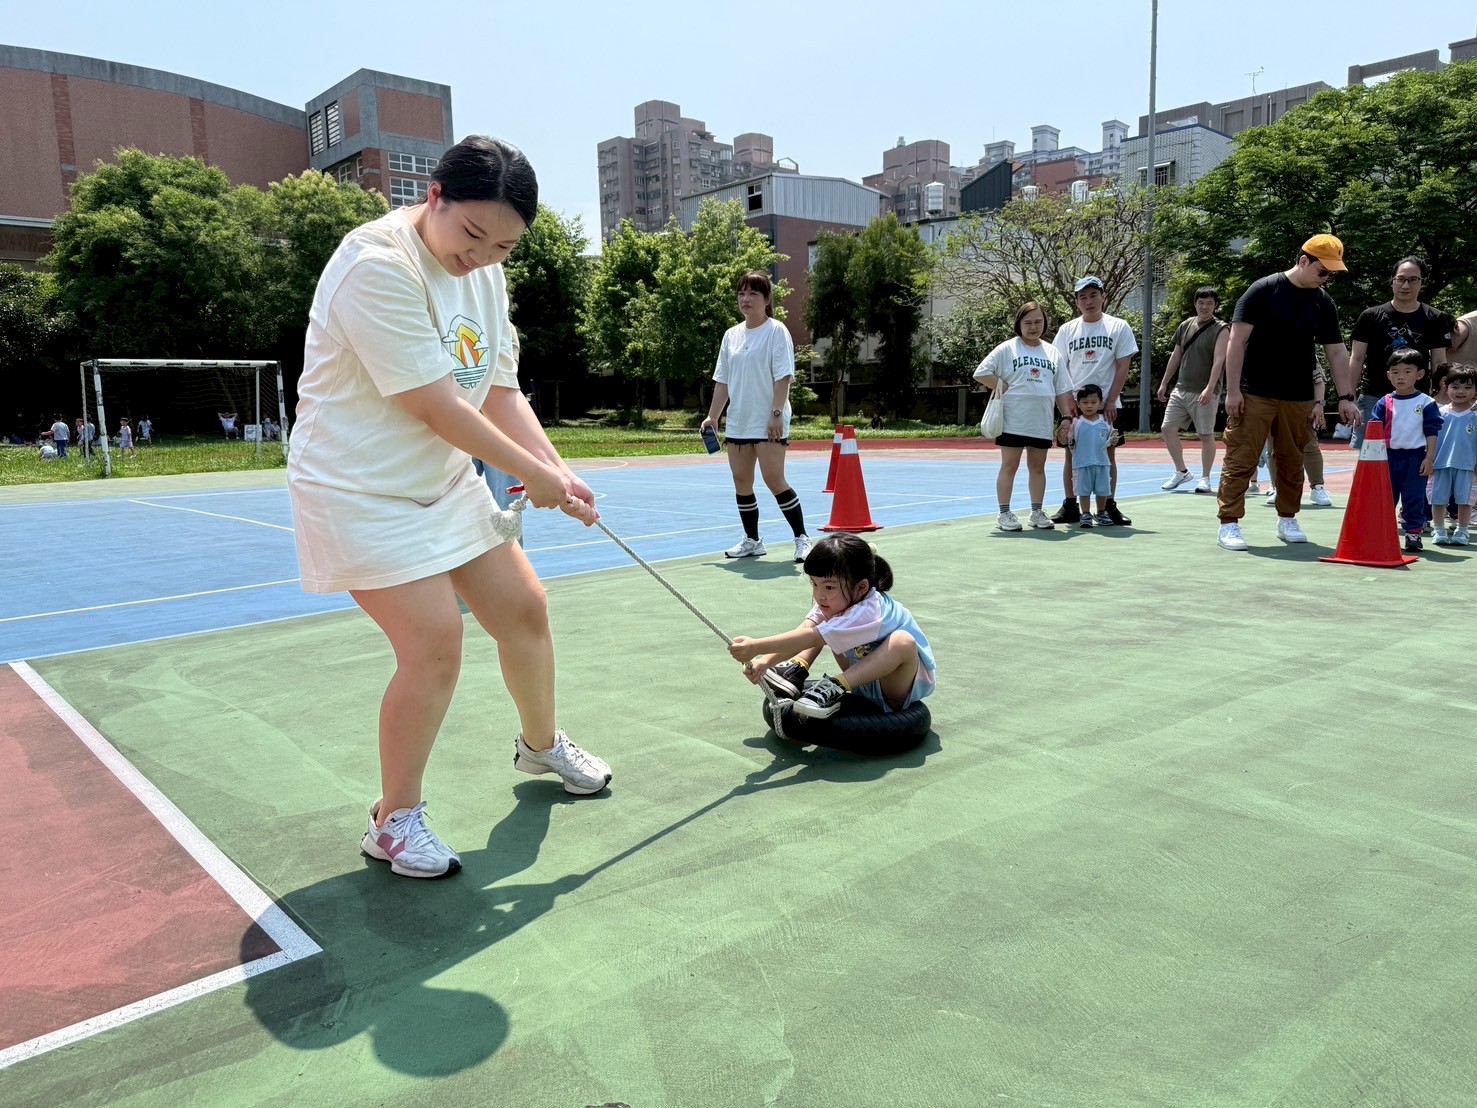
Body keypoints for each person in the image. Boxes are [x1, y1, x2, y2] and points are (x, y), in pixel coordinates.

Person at [288, 135, 610, 880]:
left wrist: (558, 469)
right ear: (434, 195)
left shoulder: (486, 275)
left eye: (503, 246)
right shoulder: (376, 266)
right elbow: (436, 404)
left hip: (439, 480)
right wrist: (536, 476)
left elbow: (497, 391)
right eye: (472, 234)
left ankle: (539, 746)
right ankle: (393, 820)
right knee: (434, 641)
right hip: (357, 489)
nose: (482, 256)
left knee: (523, 609)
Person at [1216, 234, 1360, 551]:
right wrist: (1233, 391)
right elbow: (1235, 342)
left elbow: (1336, 352)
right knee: (1242, 456)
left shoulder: (1323, 302)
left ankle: (1287, 518)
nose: (1327, 278)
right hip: (1255, 392)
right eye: (1324, 271)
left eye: (1332, 273)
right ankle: (1229, 523)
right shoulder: (1263, 291)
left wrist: (1346, 396)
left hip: (1299, 394)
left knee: (1292, 459)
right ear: (1303, 260)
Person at [727, 532, 935, 721]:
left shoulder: (870, 609)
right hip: (863, 683)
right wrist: (765, 663)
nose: (819, 594)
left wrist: (756, 646)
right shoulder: (836, 603)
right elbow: (806, 630)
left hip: (897, 688)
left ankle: (836, 685)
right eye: (814, 584)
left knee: (902, 641)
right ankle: (795, 669)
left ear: (861, 586)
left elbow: (813, 638)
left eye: (829, 587)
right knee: (823, 624)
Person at [701, 271, 813, 562]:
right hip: (739, 420)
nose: (745, 299)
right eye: (741, 293)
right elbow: (723, 380)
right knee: (741, 481)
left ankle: (802, 538)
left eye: (753, 294)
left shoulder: (777, 331)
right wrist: (713, 417)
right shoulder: (731, 335)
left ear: (767, 299)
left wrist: (776, 414)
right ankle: (752, 540)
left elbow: (783, 377)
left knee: (774, 479)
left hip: (768, 420)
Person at [973, 300, 1074, 532]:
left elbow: (1061, 389)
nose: (1033, 327)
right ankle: (1004, 513)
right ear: (1019, 324)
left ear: (1044, 323)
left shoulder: (1052, 352)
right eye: (1027, 322)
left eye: (1038, 321)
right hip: (1012, 420)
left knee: (1038, 467)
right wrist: (1002, 385)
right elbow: (981, 373)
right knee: (1009, 466)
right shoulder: (1007, 348)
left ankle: (1037, 512)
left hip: (1041, 420)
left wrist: (1066, 418)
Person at [1050, 276, 1138, 525]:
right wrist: (1068, 404)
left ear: (1103, 296)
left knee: (1108, 456)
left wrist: (1110, 401)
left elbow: (1123, 366)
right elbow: (1060, 368)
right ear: (1077, 302)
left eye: (1093, 295)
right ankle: (1071, 505)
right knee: (1071, 457)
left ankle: (1108, 505)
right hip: (1075, 407)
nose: (1088, 301)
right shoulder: (1067, 330)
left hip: (1107, 407)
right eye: (1082, 297)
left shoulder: (1118, 327)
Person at [1347, 257, 1452, 450]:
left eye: (1413, 280)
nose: (1406, 285)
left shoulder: (1435, 318)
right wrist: (1348, 396)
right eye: (1400, 279)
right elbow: (1357, 358)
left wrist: (1440, 395)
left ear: (1422, 282)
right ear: (1392, 281)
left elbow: (1439, 361)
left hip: (1416, 398)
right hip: (1373, 396)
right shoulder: (1370, 316)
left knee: (1414, 451)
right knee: (1368, 455)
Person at [1157, 286, 1229, 493]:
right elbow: (1176, 355)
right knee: (1167, 428)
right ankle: (1181, 471)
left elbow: (1219, 360)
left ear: (1215, 306)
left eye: (1209, 303)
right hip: (1181, 388)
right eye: (1201, 302)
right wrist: (1164, 383)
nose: (1204, 307)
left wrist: (1210, 387)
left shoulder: (1222, 328)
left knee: (1205, 434)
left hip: (1205, 391)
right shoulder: (1186, 325)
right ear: (1195, 303)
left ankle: (1205, 478)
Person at [1370, 350, 1442, 552]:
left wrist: (1429, 457)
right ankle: (1382, 533)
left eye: (1407, 371)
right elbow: (1374, 432)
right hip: (1388, 458)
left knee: (1414, 497)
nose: (1400, 376)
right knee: (1385, 498)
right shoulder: (1384, 402)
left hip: (1415, 458)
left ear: (1419, 374)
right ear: (1388, 375)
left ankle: (1413, 534)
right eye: (1395, 372)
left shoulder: (1426, 402)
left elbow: (1432, 431)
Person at [1429, 364, 1477, 545]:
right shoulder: (1439, 413)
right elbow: (1430, 438)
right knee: (1438, 498)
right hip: (1440, 464)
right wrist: (1429, 458)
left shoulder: (1475, 414)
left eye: (1467, 387)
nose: (1461, 391)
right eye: (1455, 387)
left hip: (1467, 465)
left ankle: (1462, 530)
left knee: (1465, 501)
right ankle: (1439, 529)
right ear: (1445, 387)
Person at [1061, 384, 1114, 528]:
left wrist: (1113, 440)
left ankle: (1101, 512)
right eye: (1085, 402)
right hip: (1082, 463)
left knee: (1102, 490)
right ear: (1078, 404)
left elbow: (1110, 440)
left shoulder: (1106, 422)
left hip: (1102, 463)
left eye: (1093, 402)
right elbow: (1068, 442)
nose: (1089, 406)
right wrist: (1063, 436)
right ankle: (1085, 513)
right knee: (1083, 491)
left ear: (1100, 403)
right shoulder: (1075, 423)